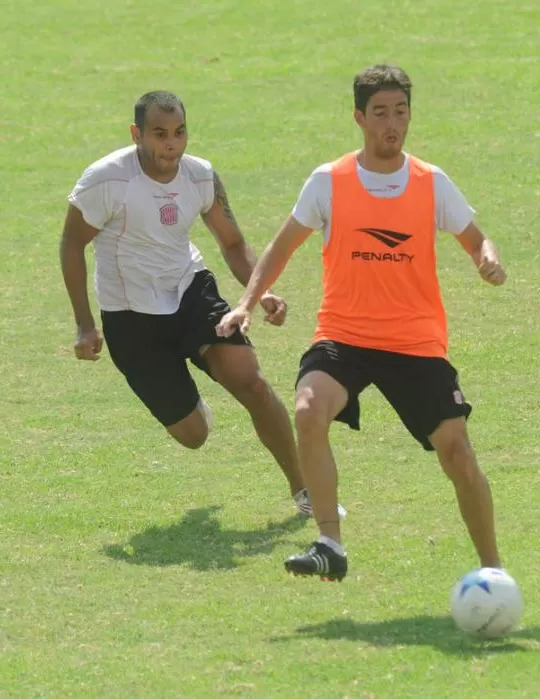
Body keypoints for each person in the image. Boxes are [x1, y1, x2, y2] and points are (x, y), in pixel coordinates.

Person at [216, 65, 507, 581]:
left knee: (458, 454)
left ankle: (493, 572)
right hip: (344, 336)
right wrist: (246, 302)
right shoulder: (329, 182)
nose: (392, 124)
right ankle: (330, 542)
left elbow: (477, 237)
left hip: (414, 341)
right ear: (359, 118)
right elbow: (282, 247)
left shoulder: (430, 182)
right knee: (308, 409)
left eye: (400, 112)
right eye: (380, 114)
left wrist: (487, 259)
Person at [60, 90, 336, 517]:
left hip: (190, 291)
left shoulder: (200, 176)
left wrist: (258, 296)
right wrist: (84, 323)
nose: (171, 144)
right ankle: (194, 407)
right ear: (137, 134)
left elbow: (232, 242)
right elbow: (72, 244)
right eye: (159, 134)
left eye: (179, 132)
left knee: (251, 382)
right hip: (131, 316)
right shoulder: (106, 181)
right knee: (193, 434)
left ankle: (305, 490)